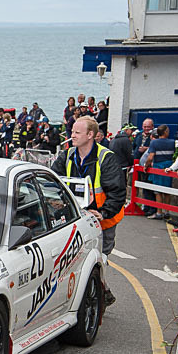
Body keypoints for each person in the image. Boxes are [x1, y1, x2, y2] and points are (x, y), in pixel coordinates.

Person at [52, 116, 125, 306]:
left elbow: (117, 191)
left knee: (99, 257)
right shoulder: (67, 156)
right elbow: (53, 183)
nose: (72, 135)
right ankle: (100, 292)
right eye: (72, 131)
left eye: (77, 132)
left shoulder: (106, 158)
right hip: (75, 218)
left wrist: (104, 212)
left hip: (103, 219)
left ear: (90, 135)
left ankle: (100, 293)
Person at [143, 124, 176, 220]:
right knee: (167, 190)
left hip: (158, 167)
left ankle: (159, 212)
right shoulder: (172, 142)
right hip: (168, 166)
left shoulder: (154, 143)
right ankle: (167, 211)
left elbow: (150, 157)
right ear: (165, 132)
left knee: (158, 191)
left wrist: (146, 165)